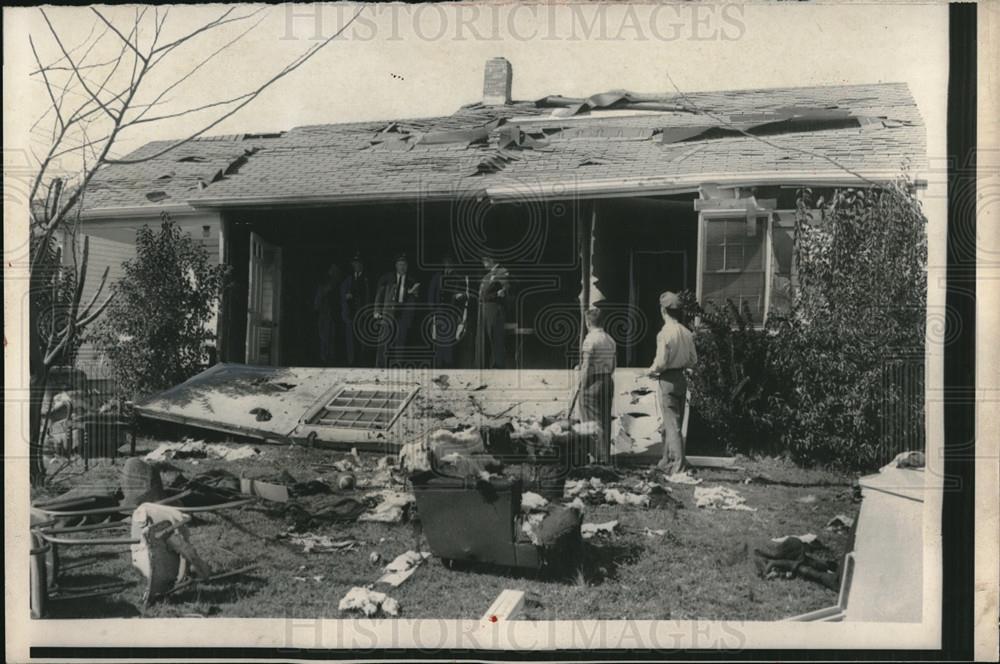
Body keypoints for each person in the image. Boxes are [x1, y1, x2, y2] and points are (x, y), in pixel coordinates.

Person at [646, 291, 698, 474]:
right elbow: (693, 360)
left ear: (663, 310)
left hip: (667, 378)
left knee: (671, 424)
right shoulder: (687, 332)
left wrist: (651, 371)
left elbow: (661, 362)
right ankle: (665, 460)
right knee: (674, 421)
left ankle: (677, 465)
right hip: (681, 378)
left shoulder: (664, 333)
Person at [577, 306, 617, 463]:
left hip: (593, 381)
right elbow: (613, 365)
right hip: (608, 379)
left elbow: (586, 365)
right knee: (605, 419)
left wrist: (582, 384)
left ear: (588, 322)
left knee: (592, 420)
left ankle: (598, 458)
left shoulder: (590, 339)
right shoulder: (610, 339)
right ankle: (605, 455)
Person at [374, 253, 420, 368]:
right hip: (388, 314)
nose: (402, 267)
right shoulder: (387, 278)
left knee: (400, 344)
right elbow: (379, 296)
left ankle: (397, 368)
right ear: (395, 265)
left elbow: (414, 301)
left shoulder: (412, 280)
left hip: (403, 316)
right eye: (400, 264)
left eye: (404, 264)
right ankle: (380, 368)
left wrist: (409, 318)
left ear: (407, 266)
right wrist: (377, 311)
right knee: (384, 342)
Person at [426, 254, 465, 369]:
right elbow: (431, 294)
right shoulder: (437, 277)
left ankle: (448, 365)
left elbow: (463, 295)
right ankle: (438, 365)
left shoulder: (458, 277)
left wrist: (460, 298)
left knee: (449, 341)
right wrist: (432, 311)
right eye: (446, 263)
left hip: (451, 313)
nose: (448, 265)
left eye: (450, 263)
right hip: (439, 313)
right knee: (438, 340)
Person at [474, 253, 510, 369]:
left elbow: (505, 290)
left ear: (491, 261)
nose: (483, 264)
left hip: (494, 310)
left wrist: (497, 294)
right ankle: (483, 366)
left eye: (485, 261)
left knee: (495, 338)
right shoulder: (487, 276)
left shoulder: (502, 271)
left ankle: (497, 366)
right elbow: (481, 295)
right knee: (483, 340)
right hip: (484, 310)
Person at [339, 252, 372, 367]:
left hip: (363, 315)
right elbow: (342, 296)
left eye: (358, 264)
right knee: (350, 340)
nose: (356, 266)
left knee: (363, 339)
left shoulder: (367, 279)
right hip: (351, 314)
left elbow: (369, 297)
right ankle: (351, 362)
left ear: (362, 265)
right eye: (354, 264)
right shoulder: (348, 280)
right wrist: (346, 298)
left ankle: (363, 362)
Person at [313, 263, 342, 366]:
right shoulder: (324, 286)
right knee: (324, 337)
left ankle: (329, 357)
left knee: (331, 337)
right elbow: (317, 302)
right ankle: (324, 358)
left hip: (332, 315)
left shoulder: (336, 285)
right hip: (325, 315)